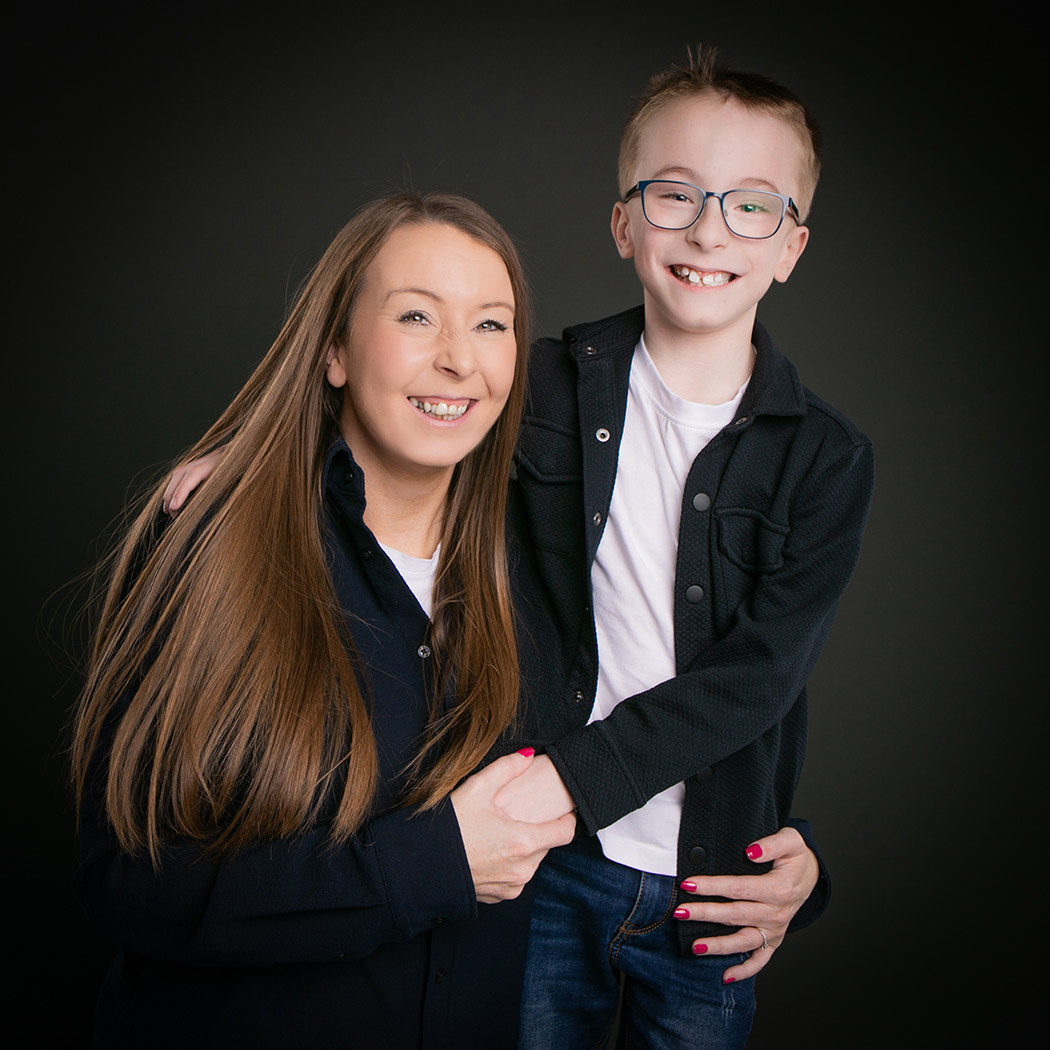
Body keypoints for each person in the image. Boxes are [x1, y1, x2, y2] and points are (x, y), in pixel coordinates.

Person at [70, 191, 579, 1050]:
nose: (459, 360)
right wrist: (434, 866)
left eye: (492, 326)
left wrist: (770, 851)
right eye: (418, 316)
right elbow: (131, 883)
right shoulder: (216, 547)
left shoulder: (544, 579)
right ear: (336, 350)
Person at [492, 47, 875, 1049]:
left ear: (791, 246)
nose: (708, 229)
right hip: (544, 864)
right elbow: (395, 410)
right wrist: (238, 449)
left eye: (751, 205)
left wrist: (576, 776)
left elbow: (758, 677)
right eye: (674, 196)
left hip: (715, 885)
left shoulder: (828, 457)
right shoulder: (534, 385)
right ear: (623, 222)